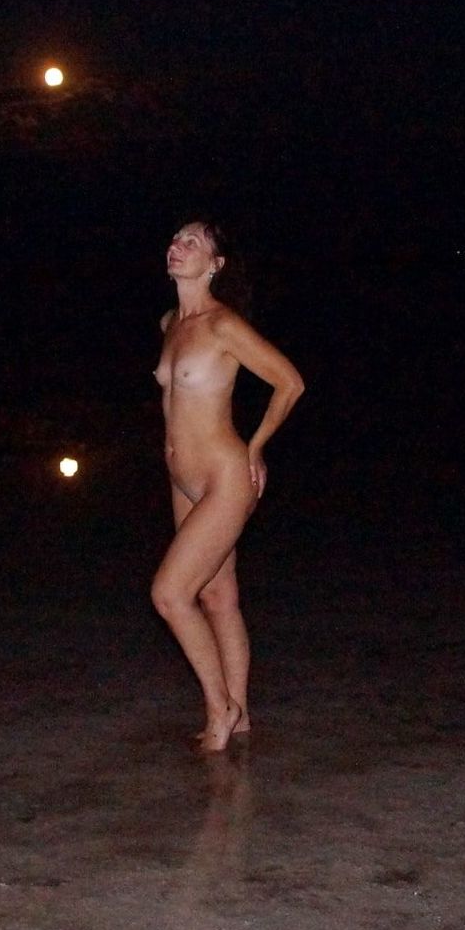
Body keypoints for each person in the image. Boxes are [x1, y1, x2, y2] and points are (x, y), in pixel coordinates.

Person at [152, 220, 305, 752]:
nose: (178, 246)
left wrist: (256, 447)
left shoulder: (222, 324)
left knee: (170, 594)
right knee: (217, 595)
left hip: (224, 477)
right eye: (176, 238)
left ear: (215, 264)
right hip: (182, 480)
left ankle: (221, 708)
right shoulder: (170, 322)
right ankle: (239, 715)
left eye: (192, 242)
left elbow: (290, 382)